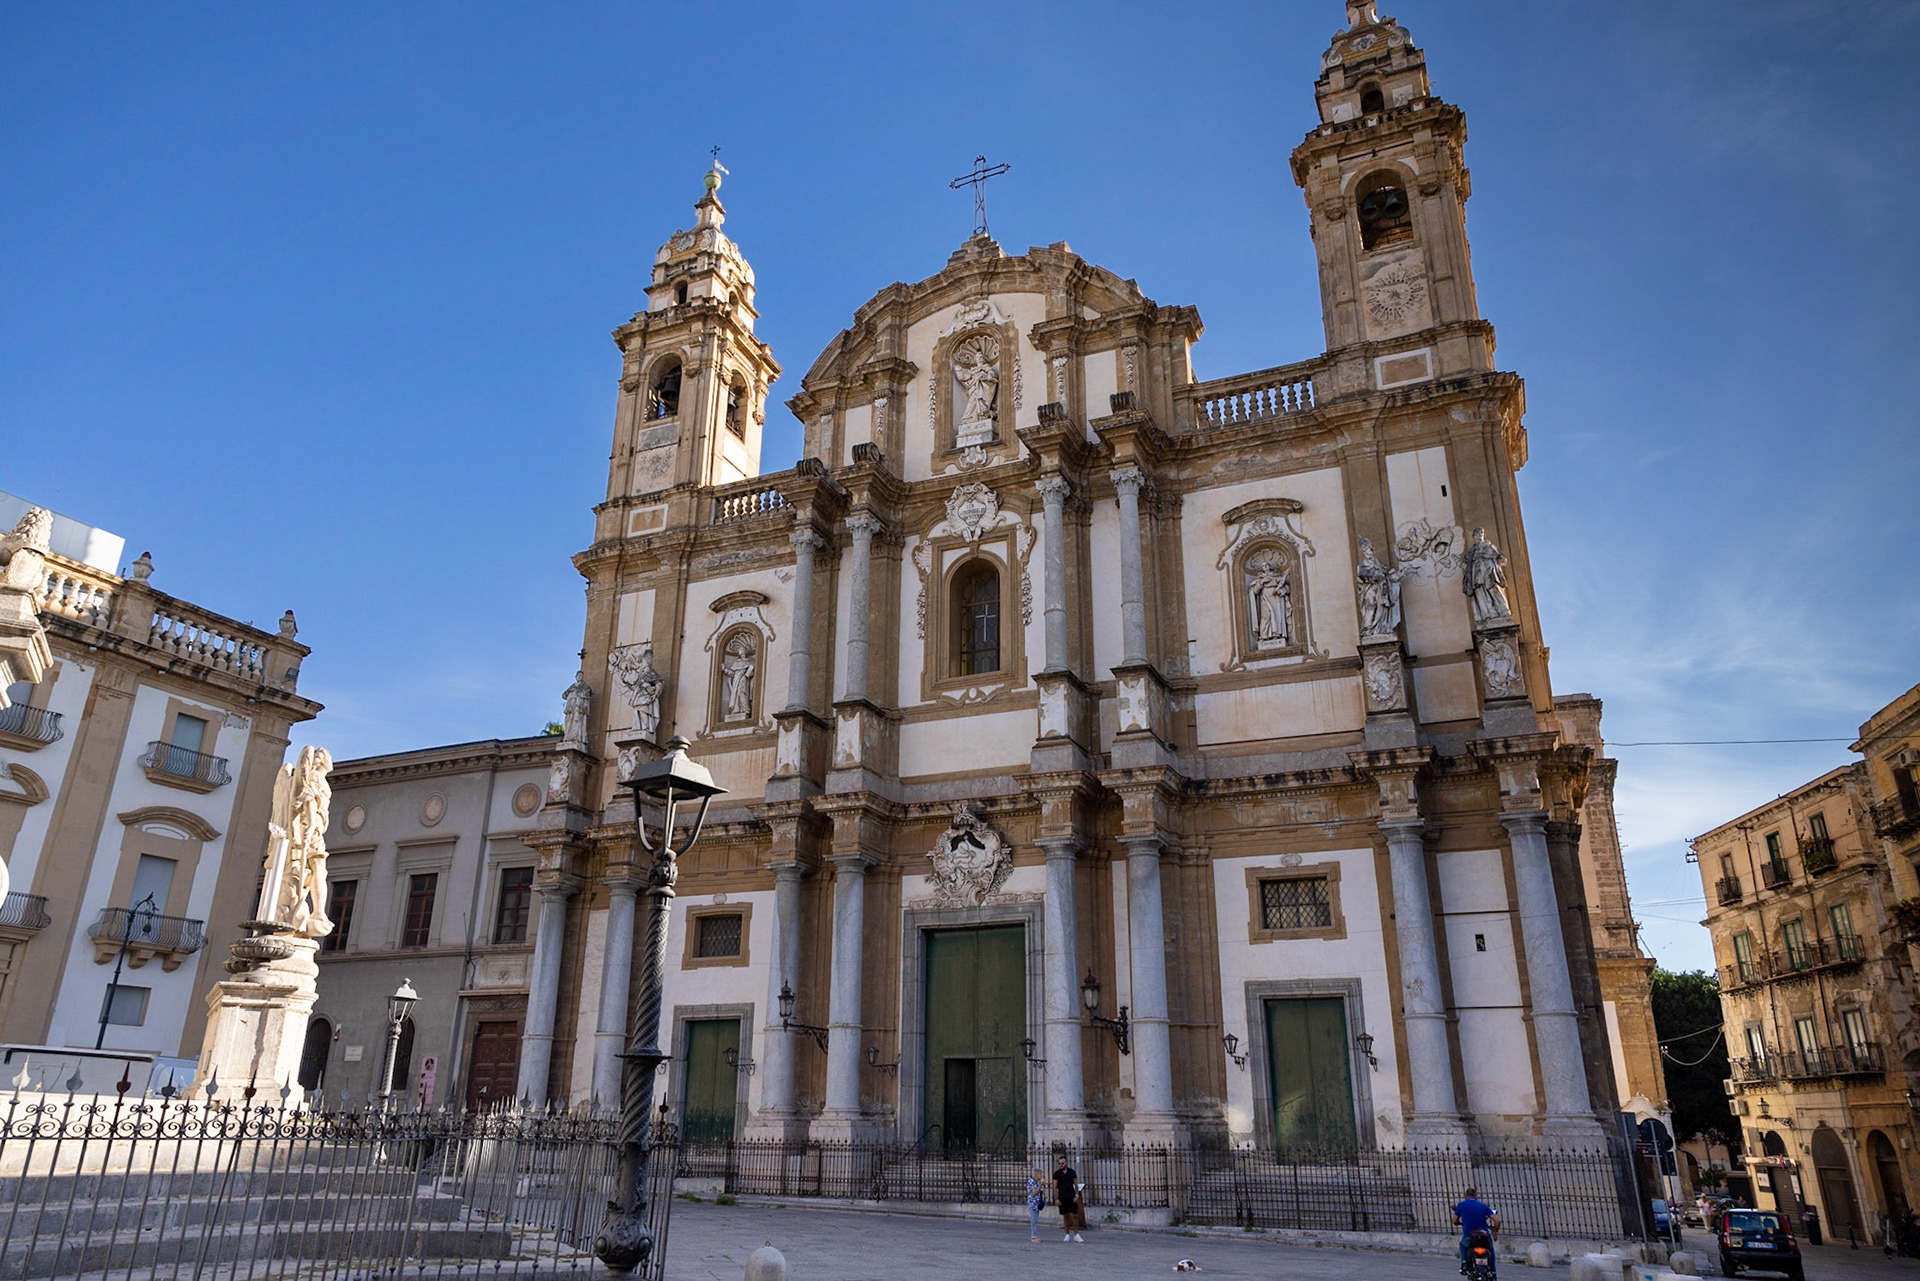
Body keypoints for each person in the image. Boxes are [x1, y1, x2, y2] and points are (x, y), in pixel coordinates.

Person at [1454, 1187, 1499, 1273]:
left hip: (1469, 1236)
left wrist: (1458, 1222)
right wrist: (1495, 1231)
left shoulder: (1461, 1205)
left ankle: (1464, 1263)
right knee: (1491, 1249)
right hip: (1484, 1236)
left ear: (1465, 1197)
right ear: (1476, 1197)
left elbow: (1454, 1220)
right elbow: (1497, 1220)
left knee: (1462, 1246)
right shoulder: (1483, 1206)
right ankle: (1493, 1270)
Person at [1053, 1155, 1085, 1242]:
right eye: (1059, 1163)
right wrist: (1056, 1198)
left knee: (1074, 1215)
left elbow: (1076, 1185)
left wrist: (1076, 1195)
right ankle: (1067, 1234)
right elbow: (1054, 1187)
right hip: (1062, 1197)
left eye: (1062, 1163)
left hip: (1071, 1196)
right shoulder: (1057, 1174)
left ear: (1066, 1163)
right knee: (1065, 1216)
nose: (1061, 1165)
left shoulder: (1072, 1172)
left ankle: (1076, 1234)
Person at [1026, 1169, 1045, 1243]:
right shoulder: (1031, 1182)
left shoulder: (1036, 1182)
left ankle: (1035, 1235)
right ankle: (1033, 1236)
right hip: (1033, 1203)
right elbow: (1034, 1192)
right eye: (1040, 1174)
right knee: (1034, 1220)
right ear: (1036, 1174)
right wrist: (1040, 1185)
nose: (1041, 1176)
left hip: (1036, 1204)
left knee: (1036, 1219)